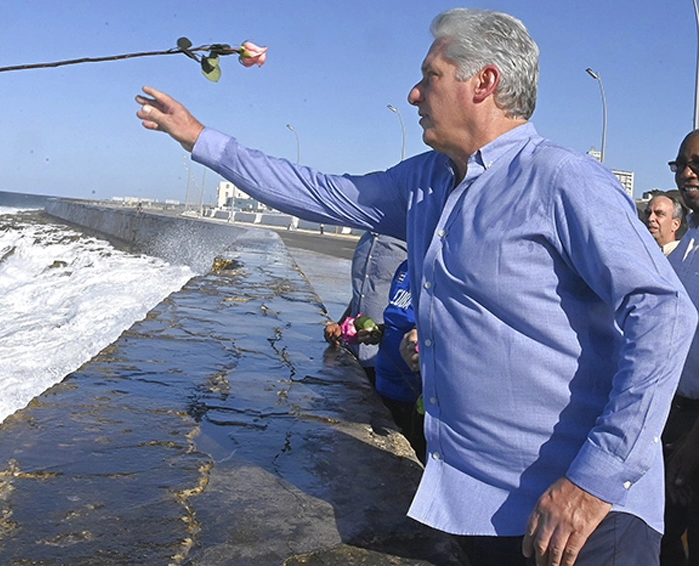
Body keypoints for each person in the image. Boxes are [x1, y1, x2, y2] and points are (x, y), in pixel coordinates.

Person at [135, 8, 696, 565]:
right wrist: (199, 138)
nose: (413, 94)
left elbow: (664, 314)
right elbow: (314, 190)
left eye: (430, 76)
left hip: (582, 517)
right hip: (477, 508)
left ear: (485, 82)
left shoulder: (562, 179)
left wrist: (595, 480)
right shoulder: (425, 181)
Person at [661, 131, 699, 565]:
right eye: (681, 164)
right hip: (674, 418)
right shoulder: (685, 240)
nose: (688, 173)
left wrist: (694, 445)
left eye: (698, 164)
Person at [358, 259, 426, 463]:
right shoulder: (406, 266)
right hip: (383, 387)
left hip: (413, 399)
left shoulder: (446, 271)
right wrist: (379, 332)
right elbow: (396, 320)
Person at [324, 231, 407, 384]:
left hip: (387, 359)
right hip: (353, 350)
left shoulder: (407, 240)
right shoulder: (366, 239)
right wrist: (341, 324)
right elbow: (362, 293)